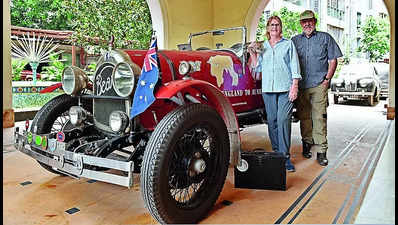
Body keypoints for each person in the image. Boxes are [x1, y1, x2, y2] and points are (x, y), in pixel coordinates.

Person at [249, 16, 301, 172]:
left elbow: (295, 66)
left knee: (283, 120)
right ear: (267, 28)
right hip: (268, 90)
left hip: (285, 89)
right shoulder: (263, 46)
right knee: (272, 121)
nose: (274, 27)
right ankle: (277, 154)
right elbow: (258, 69)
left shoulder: (288, 44)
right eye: (272, 25)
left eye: (277, 24)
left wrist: (295, 86)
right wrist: (253, 53)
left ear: (281, 27)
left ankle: (284, 158)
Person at [292, 10, 343, 166]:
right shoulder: (294, 41)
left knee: (319, 117)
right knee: (304, 117)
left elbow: (333, 60)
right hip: (301, 86)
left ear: (315, 21)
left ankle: (322, 151)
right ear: (301, 24)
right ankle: (307, 143)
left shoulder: (325, 38)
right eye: (304, 21)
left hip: (319, 85)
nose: (307, 23)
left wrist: (327, 79)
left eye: (310, 21)